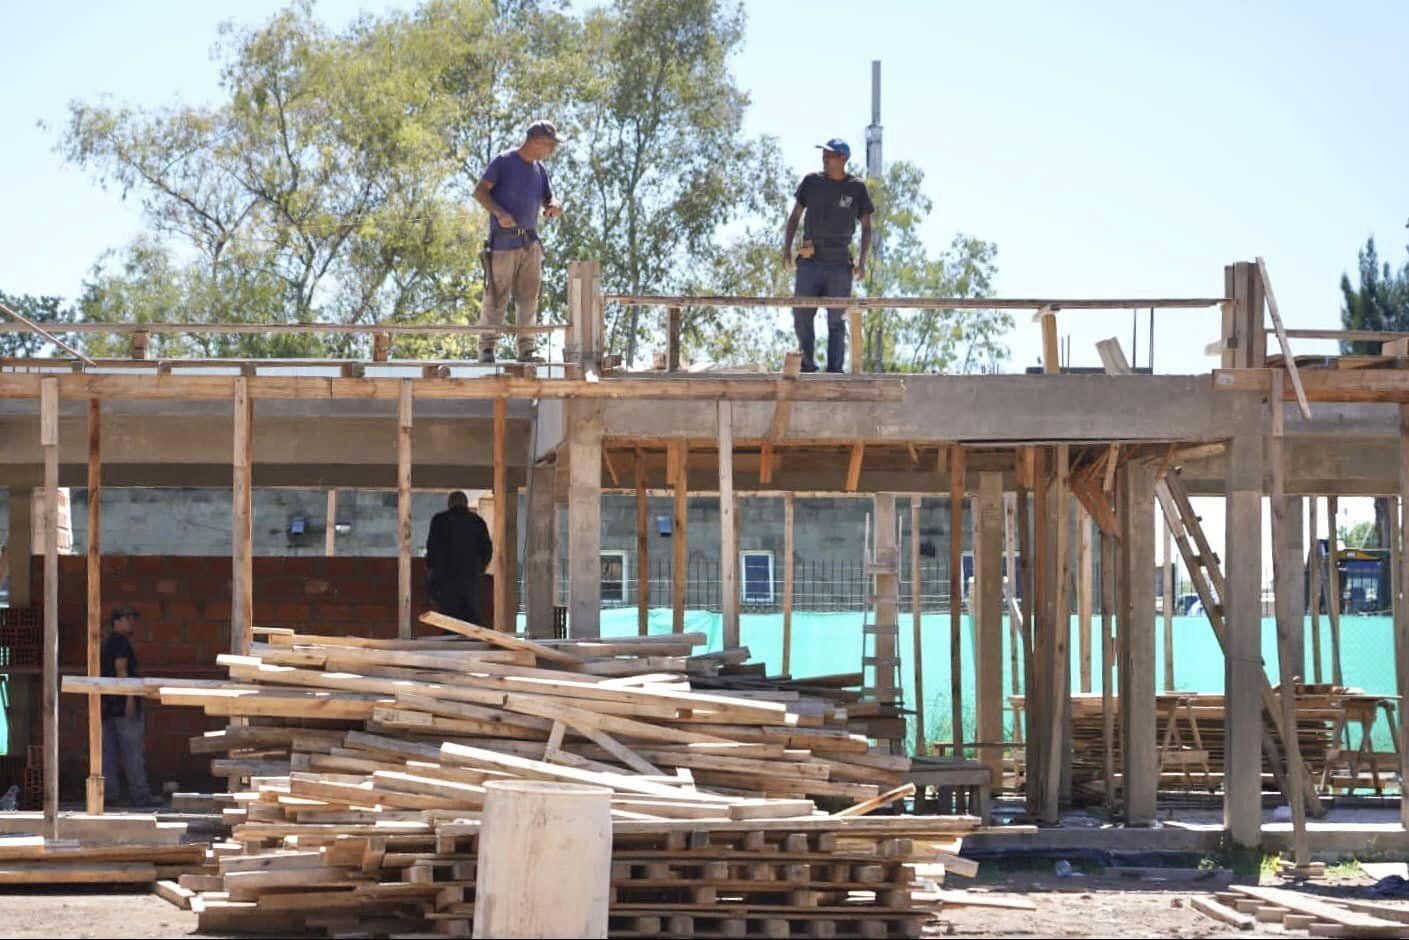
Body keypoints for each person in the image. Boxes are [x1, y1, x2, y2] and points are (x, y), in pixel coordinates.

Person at [473, 119, 566, 364]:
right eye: (550, 145)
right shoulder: (504, 162)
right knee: (497, 295)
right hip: (503, 243)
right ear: (536, 142)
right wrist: (499, 213)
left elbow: (548, 198)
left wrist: (554, 205)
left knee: (529, 297)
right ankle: (487, 349)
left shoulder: (539, 170)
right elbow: (480, 191)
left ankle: (527, 349)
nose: (552, 151)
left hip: (530, 244)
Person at [782, 138, 874, 373]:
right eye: (823, 154)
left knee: (837, 319)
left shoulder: (856, 188)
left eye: (830, 155)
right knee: (802, 313)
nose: (824, 158)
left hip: (839, 264)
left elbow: (867, 227)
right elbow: (794, 217)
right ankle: (807, 364)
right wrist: (787, 250)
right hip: (810, 261)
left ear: (843, 159)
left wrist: (862, 262)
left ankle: (834, 370)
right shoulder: (811, 182)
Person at [101, 605, 160, 807]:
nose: (132, 622)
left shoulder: (107, 642)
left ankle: (108, 795)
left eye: (132, 618)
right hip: (121, 705)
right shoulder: (121, 643)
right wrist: (129, 699)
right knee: (132, 753)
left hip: (107, 705)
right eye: (127, 618)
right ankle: (141, 796)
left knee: (108, 753)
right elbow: (121, 670)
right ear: (116, 622)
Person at [426, 491, 494, 624]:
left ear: (449, 504)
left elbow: (432, 548)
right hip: (471, 579)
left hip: (446, 579)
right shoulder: (477, 521)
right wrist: (479, 569)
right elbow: (487, 550)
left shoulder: (440, 520)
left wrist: (432, 570)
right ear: (466, 504)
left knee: (449, 620)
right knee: (471, 619)